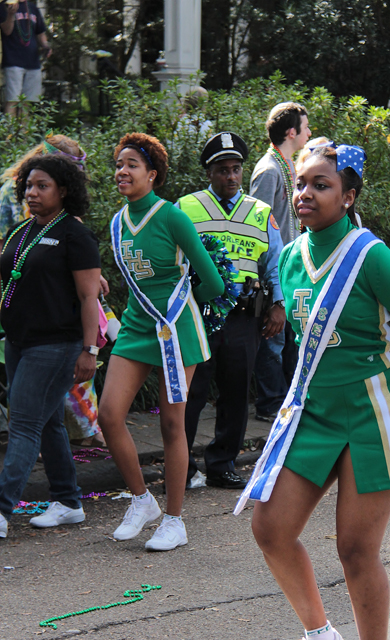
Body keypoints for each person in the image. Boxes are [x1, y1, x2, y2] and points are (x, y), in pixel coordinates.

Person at [246, 142, 390, 640]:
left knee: (356, 550)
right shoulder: (291, 257)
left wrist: (377, 357)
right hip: (313, 412)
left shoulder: (371, 255)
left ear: (349, 196)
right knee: (270, 527)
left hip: (371, 413)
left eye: (321, 185)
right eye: (301, 183)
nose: (306, 193)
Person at [98, 132, 224, 551]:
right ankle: (141, 500)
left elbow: (213, 281)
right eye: (119, 164)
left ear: (152, 175)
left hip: (175, 329)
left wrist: (182, 310)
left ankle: (174, 519)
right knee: (109, 414)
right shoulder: (118, 222)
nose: (123, 171)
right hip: (137, 327)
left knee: (173, 424)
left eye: (132, 164)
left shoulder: (172, 217)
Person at [0, 153, 101, 539]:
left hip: (56, 344)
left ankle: (2, 508)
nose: (33, 193)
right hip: (19, 342)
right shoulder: (23, 231)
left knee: (23, 424)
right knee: (46, 423)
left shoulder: (76, 236)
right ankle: (68, 501)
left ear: (63, 191)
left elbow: (88, 297)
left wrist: (89, 351)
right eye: (29, 186)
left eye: (42, 186)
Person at [177, 131, 285, 489]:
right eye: (223, 169)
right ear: (210, 173)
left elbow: (274, 264)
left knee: (237, 391)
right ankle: (184, 466)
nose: (231, 176)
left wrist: (279, 305)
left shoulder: (260, 212)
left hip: (243, 316)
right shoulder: (186, 207)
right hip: (198, 314)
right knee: (190, 392)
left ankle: (222, 464)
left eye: (236, 169)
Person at [250, 102, 311, 421]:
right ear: (291, 132)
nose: (309, 132)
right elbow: (259, 224)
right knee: (273, 339)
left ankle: (287, 401)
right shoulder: (269, 169)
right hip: (275, 269)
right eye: (306, 126)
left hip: (292, 266)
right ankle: (270, 404)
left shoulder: (288, 165)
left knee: (290, 338)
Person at [0, 0, 51, 116]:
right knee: (13, 100)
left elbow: (40, 32)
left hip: (33, 62)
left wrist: (45, 45)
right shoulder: (4, 6)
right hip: (13, 61)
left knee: (27, 103)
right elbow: (6, 31)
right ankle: (10, 133)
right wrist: (11, 15)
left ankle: (24, 133)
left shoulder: (32, 8)